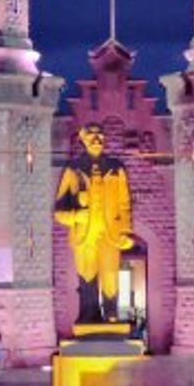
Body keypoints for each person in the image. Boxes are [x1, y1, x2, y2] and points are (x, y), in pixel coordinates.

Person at [53, 123, 134, 323]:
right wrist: (75, 216)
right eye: (91, 135)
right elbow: (58, 211)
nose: (97, 139)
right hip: (84, 235)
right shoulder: (73, 170)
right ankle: (89, 315)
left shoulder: (116, 169)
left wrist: (125, 230)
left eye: (100, 135)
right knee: (87, 275)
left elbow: (125, 204)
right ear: (83, 139)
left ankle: (111, 315)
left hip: (110, 232)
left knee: (110, 274)